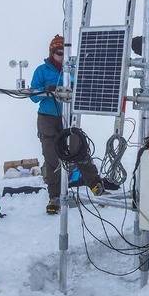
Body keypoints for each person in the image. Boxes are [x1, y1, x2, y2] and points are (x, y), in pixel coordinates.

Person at [30, 34, 106, 215]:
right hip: (48, 118)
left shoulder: (72, 69)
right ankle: (55, 196)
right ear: (51, 53)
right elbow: (33, 95)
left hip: (69, 116)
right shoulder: (42, 70)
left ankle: (95, 185)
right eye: (58, 53)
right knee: (52, 157)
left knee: (78, 150)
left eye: (64, 53)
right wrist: (46, 91)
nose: (62, 56)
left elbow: (84, 87)